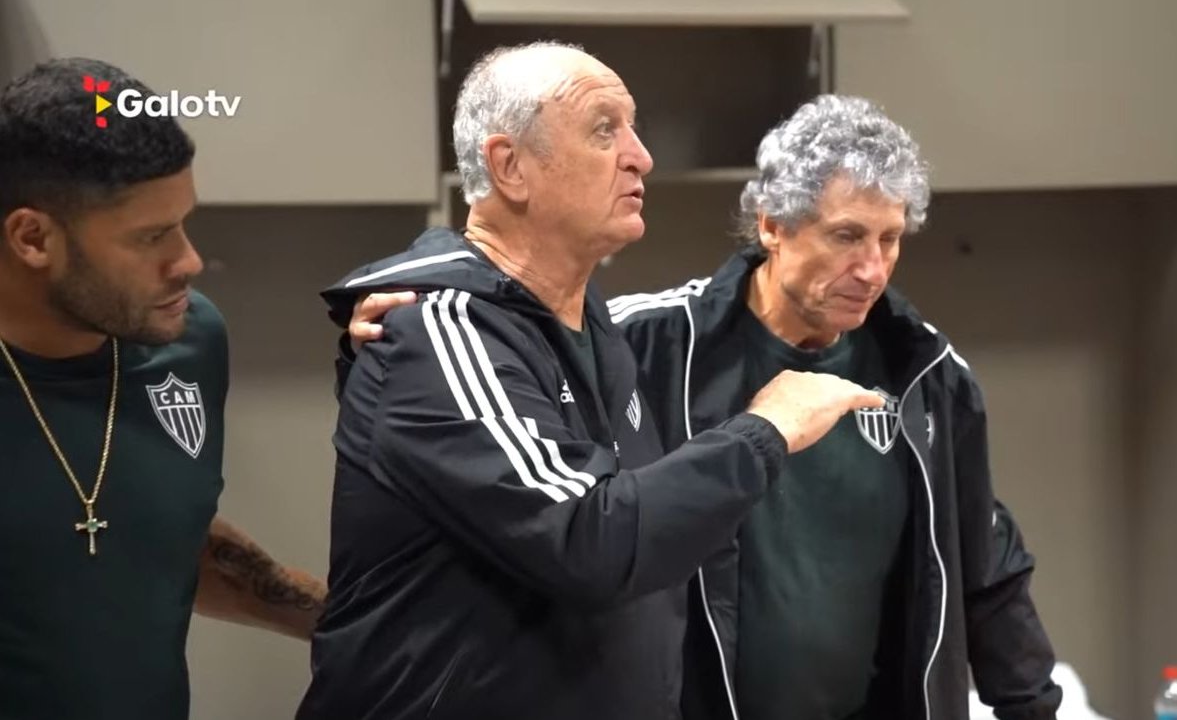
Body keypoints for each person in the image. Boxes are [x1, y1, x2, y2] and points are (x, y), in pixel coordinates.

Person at [351, 95, 1064, 719]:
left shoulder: (929, 375)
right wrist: (395, 333)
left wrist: (1030, 708)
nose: (872, 268)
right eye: (846, 236)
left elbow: (986, 567)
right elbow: (498, 430)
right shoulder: (643, 343)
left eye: (890, 239)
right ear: (772, 226)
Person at [298, 42, 883, 720]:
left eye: (634, 128)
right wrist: (766, 429)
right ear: (509, 166)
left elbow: (647, 543)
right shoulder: (436, 328)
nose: (641, 156)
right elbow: (588, 540)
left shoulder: (589, 321)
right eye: (605, 130)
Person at [0, 58, 327, 720]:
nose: (189, 260)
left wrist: (382, 627)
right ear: (33, 238)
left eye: (182, 222)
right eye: (151, 236)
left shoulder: (190, 341)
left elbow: (151, 535)